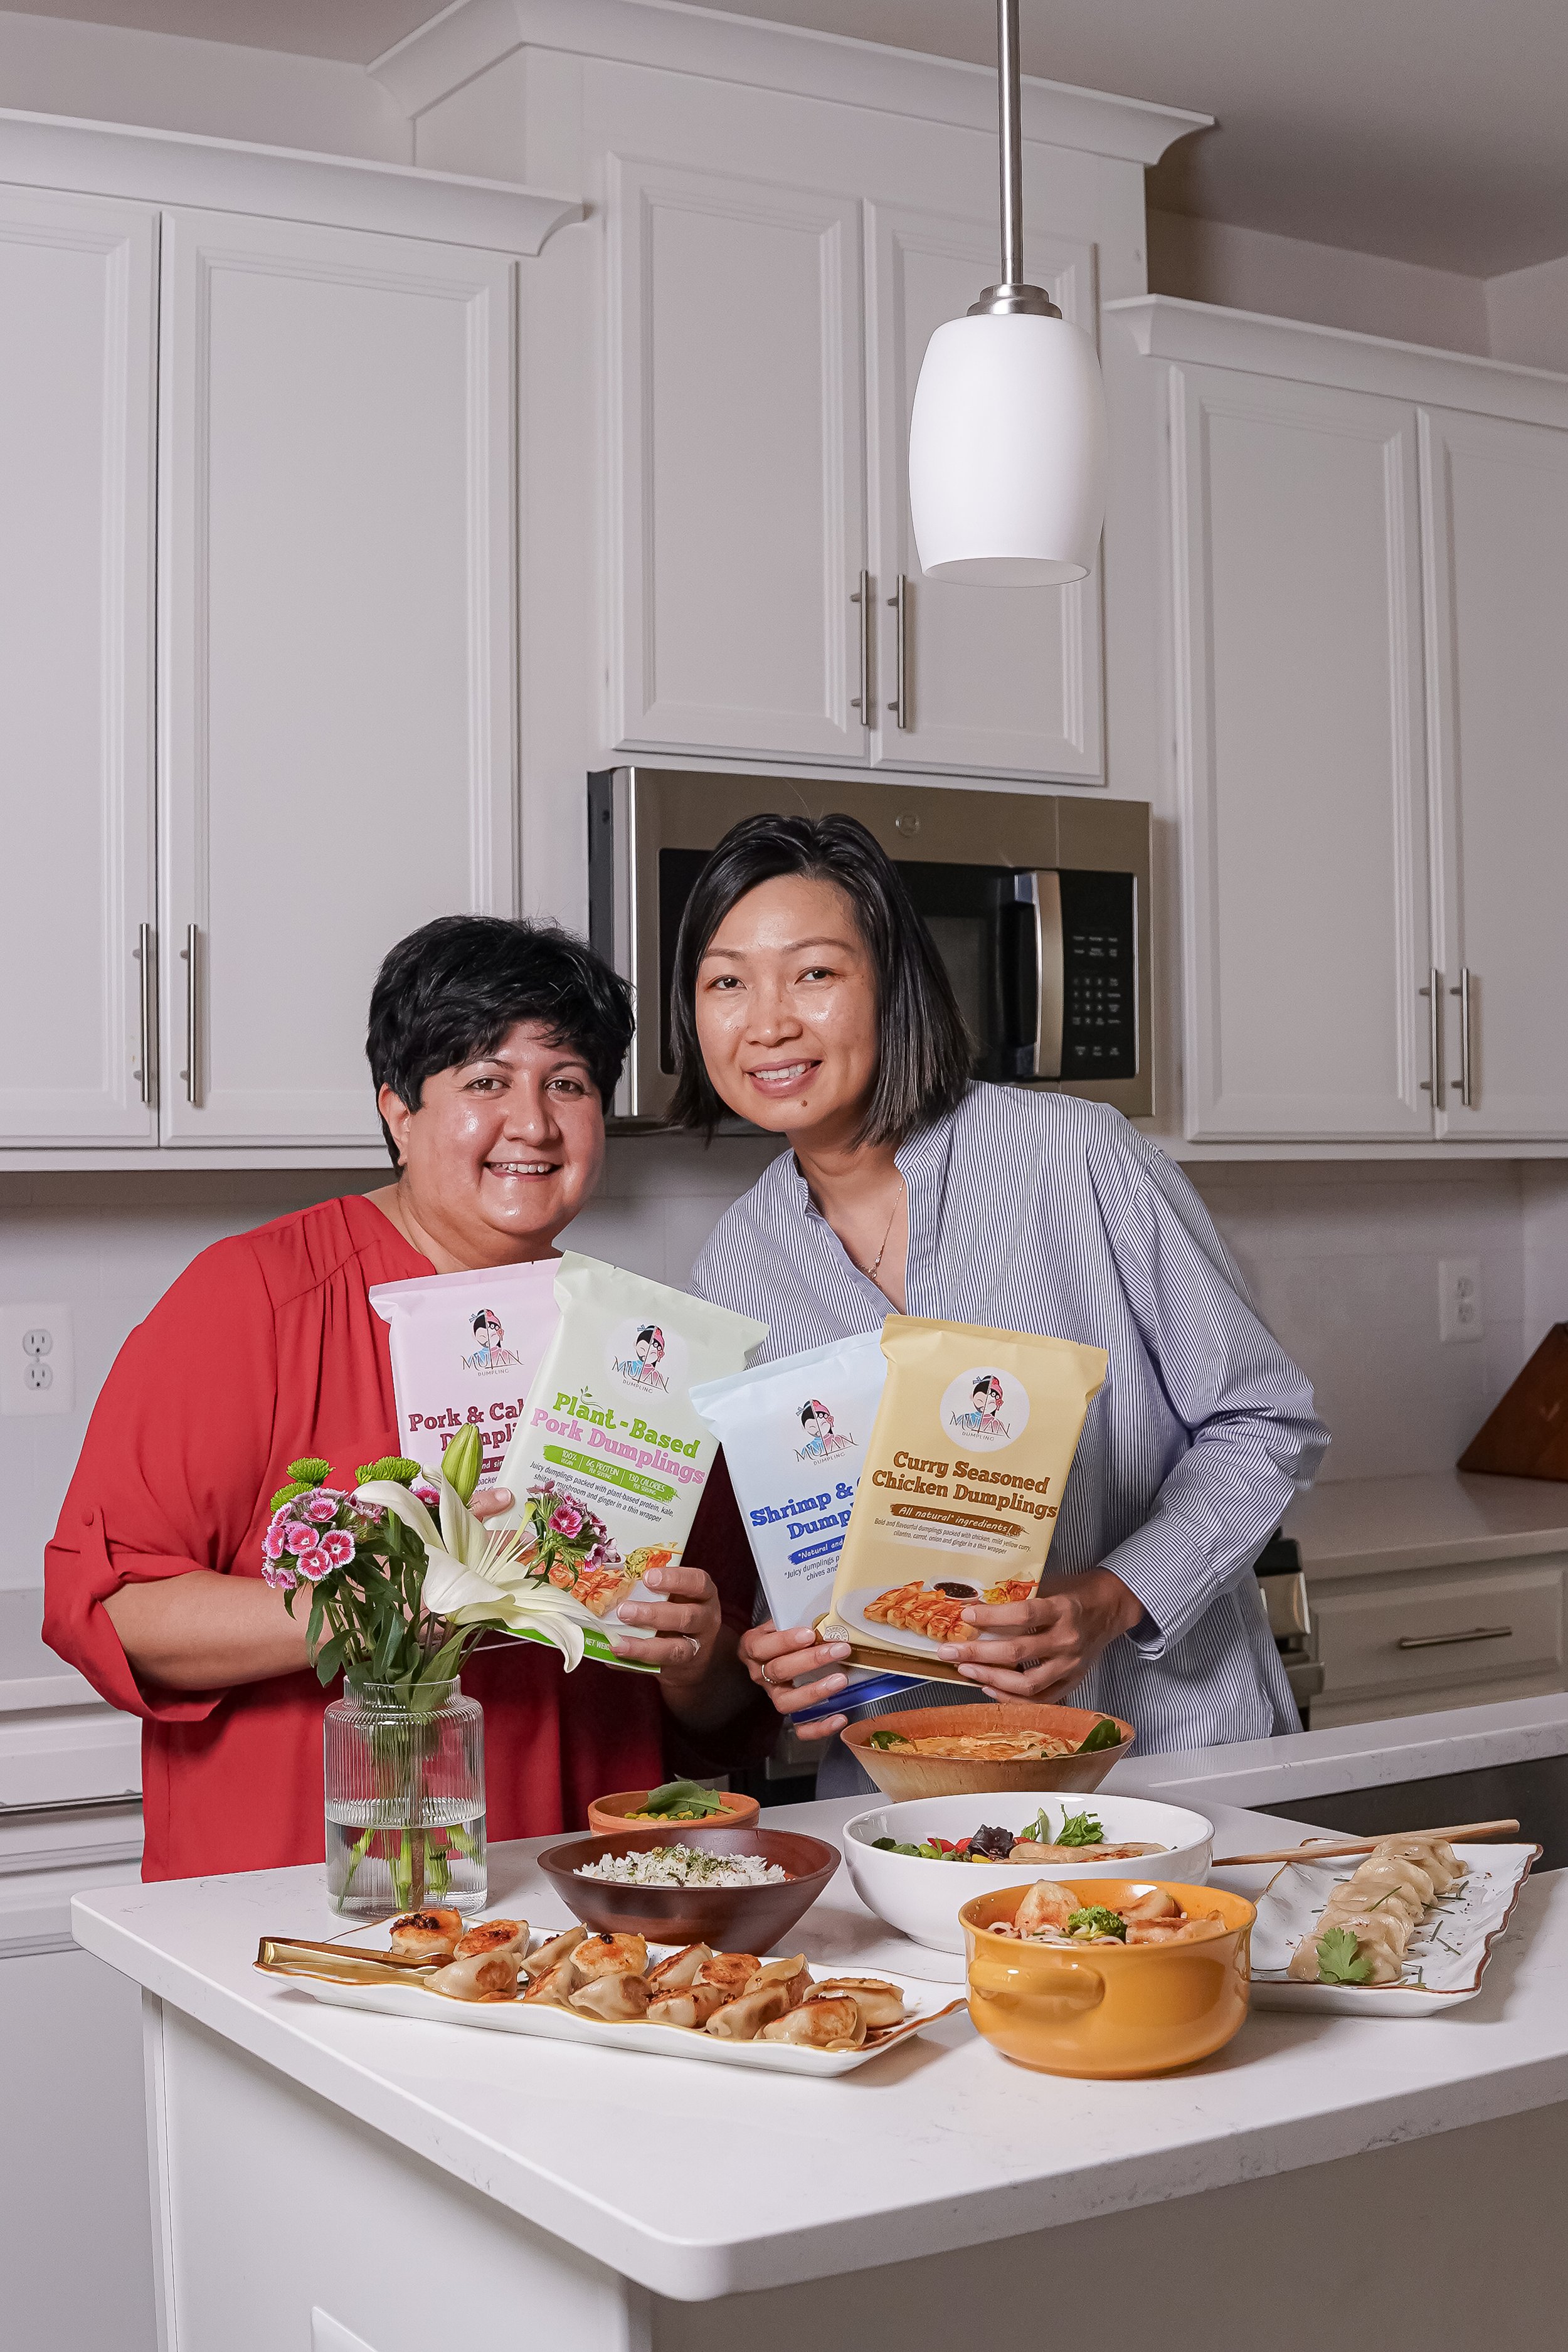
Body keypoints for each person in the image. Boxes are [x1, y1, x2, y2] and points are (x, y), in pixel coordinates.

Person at [44, 915, 764, 1879]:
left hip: (580, 1909)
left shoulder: (644, 1354)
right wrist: (376, 1602)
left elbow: (718, 1711)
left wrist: (698, 1658)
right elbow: (115, 1609)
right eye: (485, 1081)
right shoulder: (253, 1300)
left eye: (568, 1082)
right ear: (397, 1109)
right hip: (297, 1906)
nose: (535, 1122)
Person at [670, 813, 1328, 1796]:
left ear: (892, 985)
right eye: (727, 981)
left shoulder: (1076, 1154)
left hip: (1171, 1762)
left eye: (814, 973)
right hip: (913, 1809)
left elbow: (1265, 1421)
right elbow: (806, 1572)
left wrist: (1110, 1599)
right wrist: (789, 1664)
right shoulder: (731, 1274)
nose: (767, 1022)